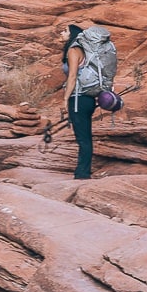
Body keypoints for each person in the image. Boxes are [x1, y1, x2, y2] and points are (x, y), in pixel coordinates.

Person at [61, 24, 96, 179]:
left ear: (72, 35)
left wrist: (65, 99)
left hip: (78, 99)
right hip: (88, 99)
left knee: (83, 139)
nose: (62, 33)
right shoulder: (85, 51)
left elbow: (73, 76)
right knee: (85, 137)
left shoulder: (73, 50)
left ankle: (83, 174)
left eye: (65, 31)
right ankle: (83, 171)